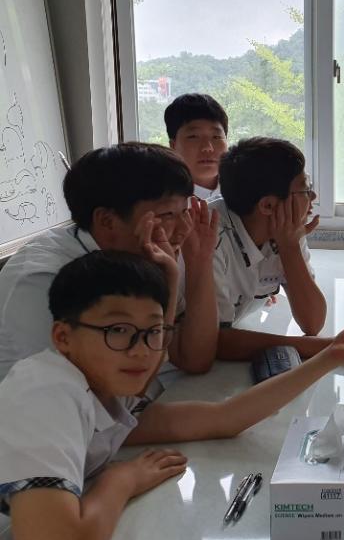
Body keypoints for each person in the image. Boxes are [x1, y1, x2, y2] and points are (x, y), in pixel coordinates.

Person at [0, 250, 344, 540]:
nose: (141, 351)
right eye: (118, 330)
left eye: (153, 331)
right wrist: (121, 480)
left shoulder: (103, 385)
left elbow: (223, 419)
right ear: (62, 336)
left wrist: (331, 356)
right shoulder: (46, 394)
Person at [0, 143, 218, 380]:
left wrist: (200, 261)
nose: (184, 229)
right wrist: (169, 282)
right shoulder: (43, 282)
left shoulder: (137, 257)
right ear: (106, 221)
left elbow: (194, 358)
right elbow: (126, 385)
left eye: (185, 212)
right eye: (167, 215)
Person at [211, 137, 329, 360]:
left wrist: (290, 248)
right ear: (268, 205)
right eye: (305, 189)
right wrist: (315, 348)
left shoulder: (286, 231)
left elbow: (312, 322)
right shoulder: (210, 237)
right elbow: (216, 340)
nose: (313, 196)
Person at [165, 93, 229, 200]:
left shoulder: (247, 190)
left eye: (216, 137)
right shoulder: (160, 200)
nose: (208, 147)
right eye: (193, 137)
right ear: (173, 146)